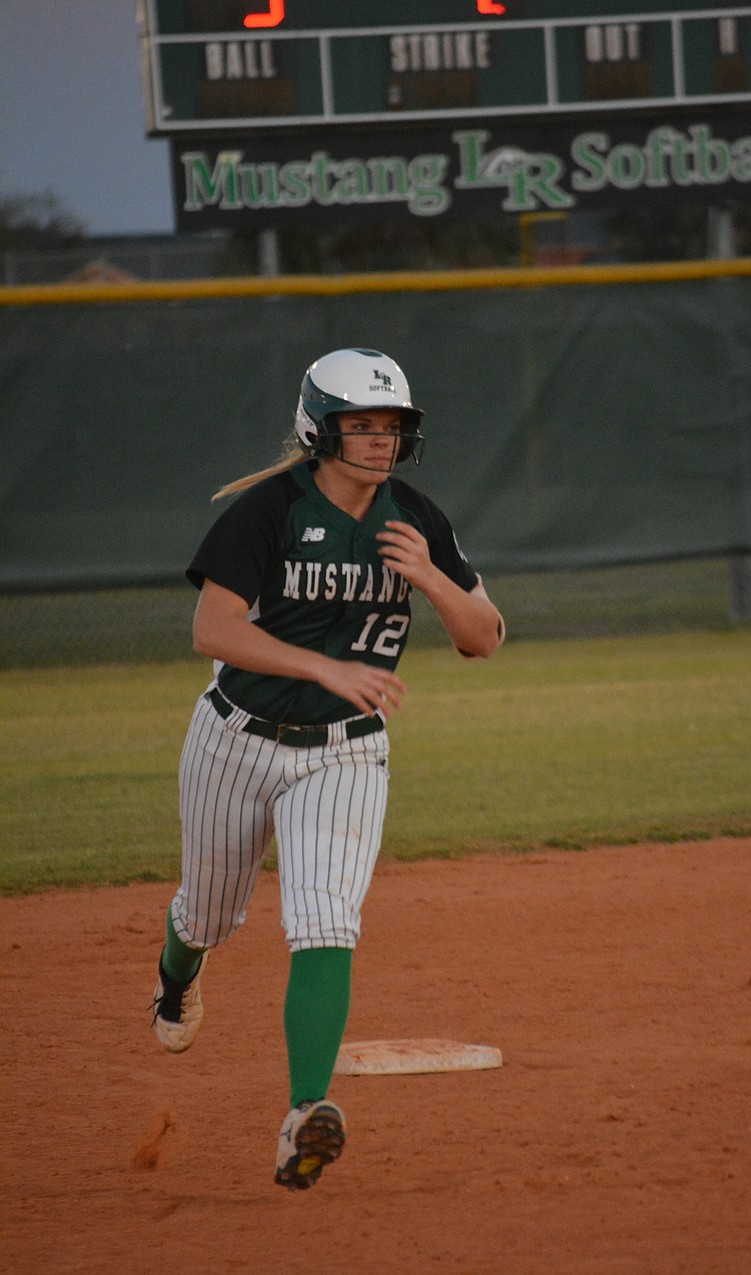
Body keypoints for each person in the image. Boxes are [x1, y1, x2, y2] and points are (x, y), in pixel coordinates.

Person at [150, 347, 505, 1191]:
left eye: (392, 427)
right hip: (236, 738)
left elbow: (483, 635)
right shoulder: (269, 509)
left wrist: (432, 578)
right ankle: (175, 979)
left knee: (325, 919)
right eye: (362, 425)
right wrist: (324, 666)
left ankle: (304, 1114)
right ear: (321, 427)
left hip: (346, 752)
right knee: (209, 909)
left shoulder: (416, 519)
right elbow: (214, 629)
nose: (380, 441)